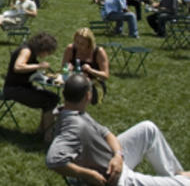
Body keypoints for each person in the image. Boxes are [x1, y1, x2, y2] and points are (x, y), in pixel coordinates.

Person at [46, 73, 190, 186]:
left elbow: (106, 134)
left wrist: (118, 155)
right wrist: (87, 174)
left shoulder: (74, 111)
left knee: (148, 129)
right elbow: (53, 160)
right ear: (88, 96)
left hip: (112, 161)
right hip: (118, 179)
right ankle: (180, 180)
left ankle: (175, 175)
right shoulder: (73, 126)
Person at [3, 32, 59, 140]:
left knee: (54, 97)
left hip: (23, 86)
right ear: (43, 48)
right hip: (14, 89)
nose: (47, 55)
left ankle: (41, 131)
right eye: (48, 52)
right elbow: (18, 67)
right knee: (49, 101)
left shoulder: (30, 51)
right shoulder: (26, 50)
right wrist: (39, 65)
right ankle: (48, 137)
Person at [60, 27, 109, 104]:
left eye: (82, 44)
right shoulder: (70, 49)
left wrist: (91, 70)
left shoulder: (98, 52)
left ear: (89, 43)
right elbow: (63, 69)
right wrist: (67, 68)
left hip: (94, 84)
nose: (78, 45)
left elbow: (105, 75)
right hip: (75, 82)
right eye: (76, 42)